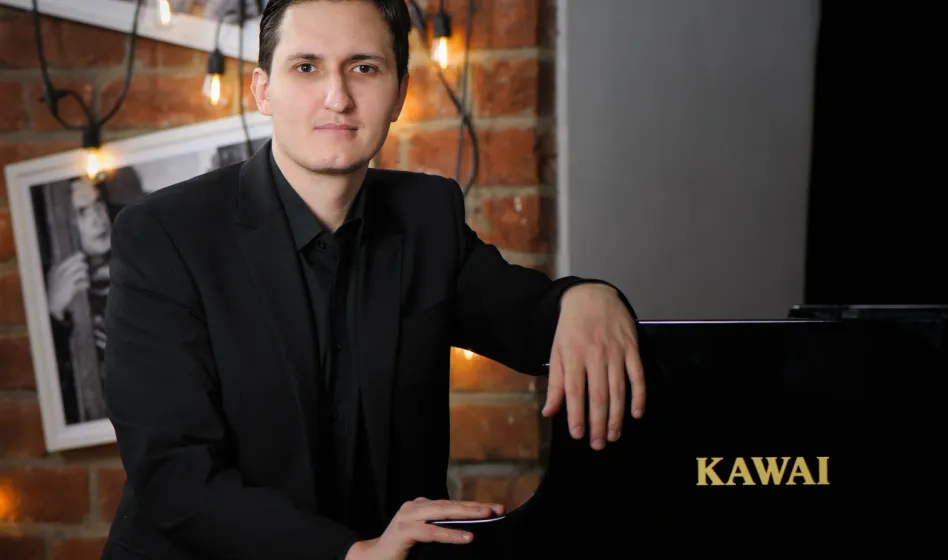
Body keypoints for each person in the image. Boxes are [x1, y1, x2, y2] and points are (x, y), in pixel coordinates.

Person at [101, 1, 645, 559]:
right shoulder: (164, 235)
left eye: (364, 67)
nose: (337, 97)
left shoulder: (426, 217)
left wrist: (589, 295)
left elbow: (534, 321)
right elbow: (175, 476)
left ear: (401, 93)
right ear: (262, 91)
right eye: (306, 67)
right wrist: (352, 554)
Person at [47, 177, 111, 424]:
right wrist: (53, 313)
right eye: (83, 212)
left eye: (98, 204)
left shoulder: (141, 268)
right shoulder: (60, 290)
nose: (98, 218)